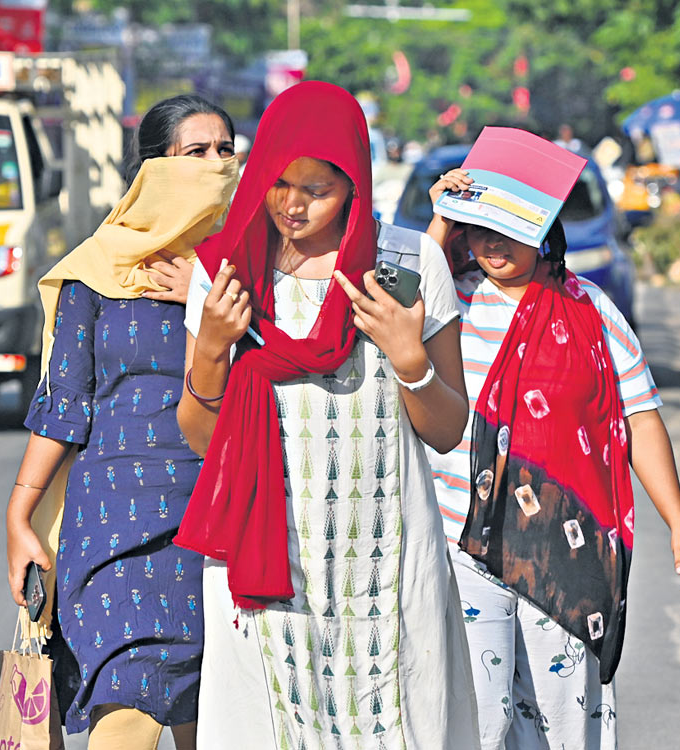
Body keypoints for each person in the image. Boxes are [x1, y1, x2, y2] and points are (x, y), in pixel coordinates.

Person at [174, 81, 481, 750]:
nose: (293, 205)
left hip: (385, 559)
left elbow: (447, 429)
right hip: (267, 558)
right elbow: (200, 437)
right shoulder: (228, 269)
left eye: (317, 189)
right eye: (280, 183)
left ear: (355, 185)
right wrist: (213, 349)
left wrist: (409, 358)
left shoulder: (408, 262)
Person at [424, 147, 680, 750]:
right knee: (476, 720)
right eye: (480, 227)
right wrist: (443, 221)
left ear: (544, 226)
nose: (493, 243)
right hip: (463, 545)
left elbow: (640, 417)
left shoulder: (591, 310)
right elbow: (402, 306)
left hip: (566, 549)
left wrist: (678, 522)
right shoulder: (451, 301)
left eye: (511, 227)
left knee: (561, 725)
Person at [4, 94, 240, 750]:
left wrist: (207, 295)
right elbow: (64, 404)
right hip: (112, 526)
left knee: (211, 715)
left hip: (215, 519)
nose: (217, 165)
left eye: (226, 151)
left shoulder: (248, 267)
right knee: (127, 697)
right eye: (197, 152)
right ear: (153, 167)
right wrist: (19, 515)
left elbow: (281, 377)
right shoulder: (97, 268)